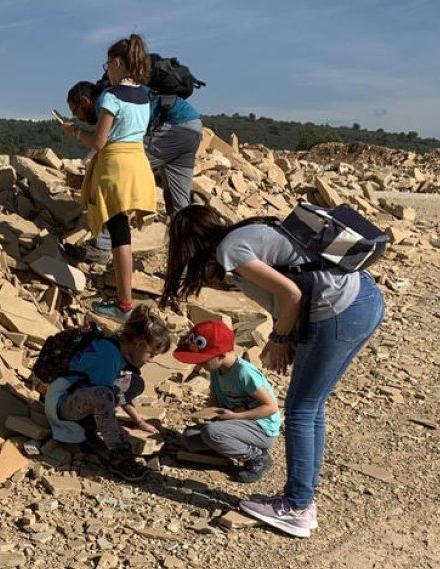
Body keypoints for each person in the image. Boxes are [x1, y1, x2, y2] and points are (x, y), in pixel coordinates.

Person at [159, 205, 385, 538]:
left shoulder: (230, 249)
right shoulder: (245, 234)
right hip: (362, 298)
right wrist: (291, 333)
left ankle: (296, 507)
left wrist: (280, 337)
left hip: (339, 309)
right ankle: (301, 498)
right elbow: (295, 285)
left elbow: (291, 293)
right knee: (311, 407)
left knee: (301, 411)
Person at [60, 34, 157, 322]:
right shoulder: (144, 95)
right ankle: (124, 301)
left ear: (117, 63)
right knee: (122, 232)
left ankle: (124, 304)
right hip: (138, 165)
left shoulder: (113, 96)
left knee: (119, 237)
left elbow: (99, 141)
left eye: (107, 65)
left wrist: (73, 132)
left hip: (115, 167)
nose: (106, 71)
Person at [43, 304, 173, 482]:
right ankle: (118, 454)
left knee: (134, 383)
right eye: (151, 355)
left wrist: (139, 421)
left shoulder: (114, 346)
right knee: (104, 395)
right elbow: (104, 395)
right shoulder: (109, 356)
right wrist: (118, 428)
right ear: (141, 345)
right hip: (60, 405)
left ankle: (91, 421)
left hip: (73, 394)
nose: (150, 360)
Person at [73, 88, 203, 261]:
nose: (77, 117)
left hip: (172, 126)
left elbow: (107, 142)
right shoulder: (132, 90)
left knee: (114, 175)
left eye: (75, 111)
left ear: (84, 101)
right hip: (193, 126)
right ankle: (189, 264)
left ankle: (102, 246)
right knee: (179, 206)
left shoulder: (106, 99)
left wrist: (78, 134)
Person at [172, 320, 280, 483]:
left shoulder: (244, 373)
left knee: (211, 433)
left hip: (261, 428)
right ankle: (225, 445)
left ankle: (258, 457)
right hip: (236, 423)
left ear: (221, 355)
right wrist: (210, 415)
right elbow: (214, 404)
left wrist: (235, 417)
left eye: (203, 359)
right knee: (190, 438)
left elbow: (270, 407)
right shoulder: (216, 370)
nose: (198, 363)